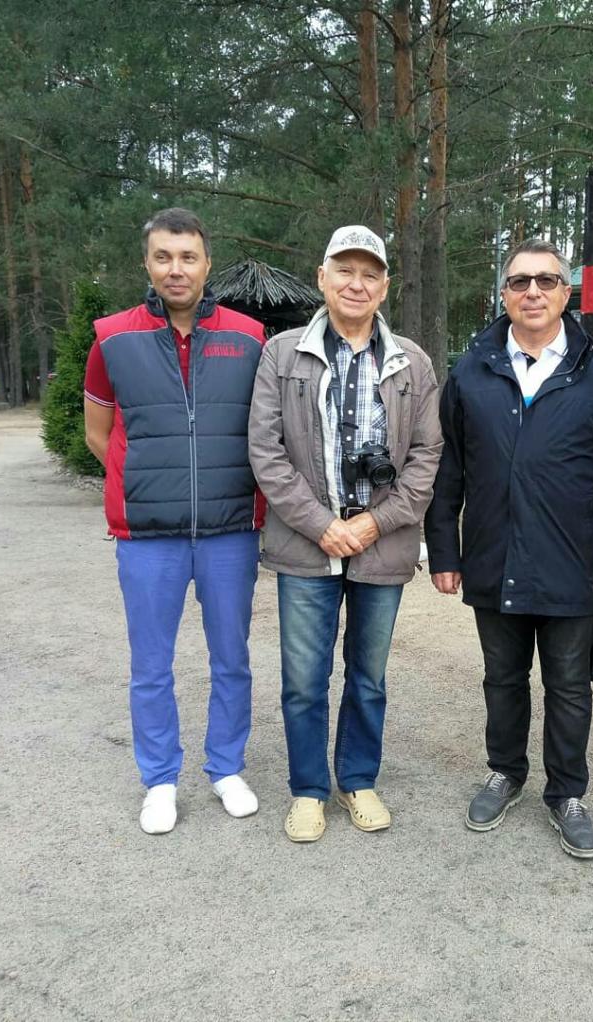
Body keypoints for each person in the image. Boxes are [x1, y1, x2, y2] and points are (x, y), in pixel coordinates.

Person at [425, 238, 593, 859]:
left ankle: (567, 793)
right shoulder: (471, 372)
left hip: (573, 562)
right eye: (520, 281)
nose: (532, 291)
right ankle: (505, 772)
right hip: (493, 556)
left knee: (570, 685)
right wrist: (443, 549)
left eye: (546, 281)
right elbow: (448, 469)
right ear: (503, 293)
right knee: (502, 677)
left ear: (565, 292)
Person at [248, 225, 441, 843]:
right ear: (323, 277)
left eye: (370, 274)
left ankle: (357, 779)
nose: (357, 284)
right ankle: (308, 790)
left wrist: (374, 522)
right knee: (304, 681)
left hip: (382, 545)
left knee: (369, 677)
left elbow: (427, 457)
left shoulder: (412, 361)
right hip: (307, 546)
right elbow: (266, 452)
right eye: (345, 270)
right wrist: (322, 524)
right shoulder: (282, 354)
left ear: (385, 287)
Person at [83, 207, 266, 835]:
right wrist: (144, 483)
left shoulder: (248, 336)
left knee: (232, 658)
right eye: (163, 257)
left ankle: (226, 768)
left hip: (229, 530)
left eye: (188, 257)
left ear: (207, 263)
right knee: (150, 667)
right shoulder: (112, 338)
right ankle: (159, 780)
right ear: (148, 263)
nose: (176, 269)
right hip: (148, 537)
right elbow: (99, 432)